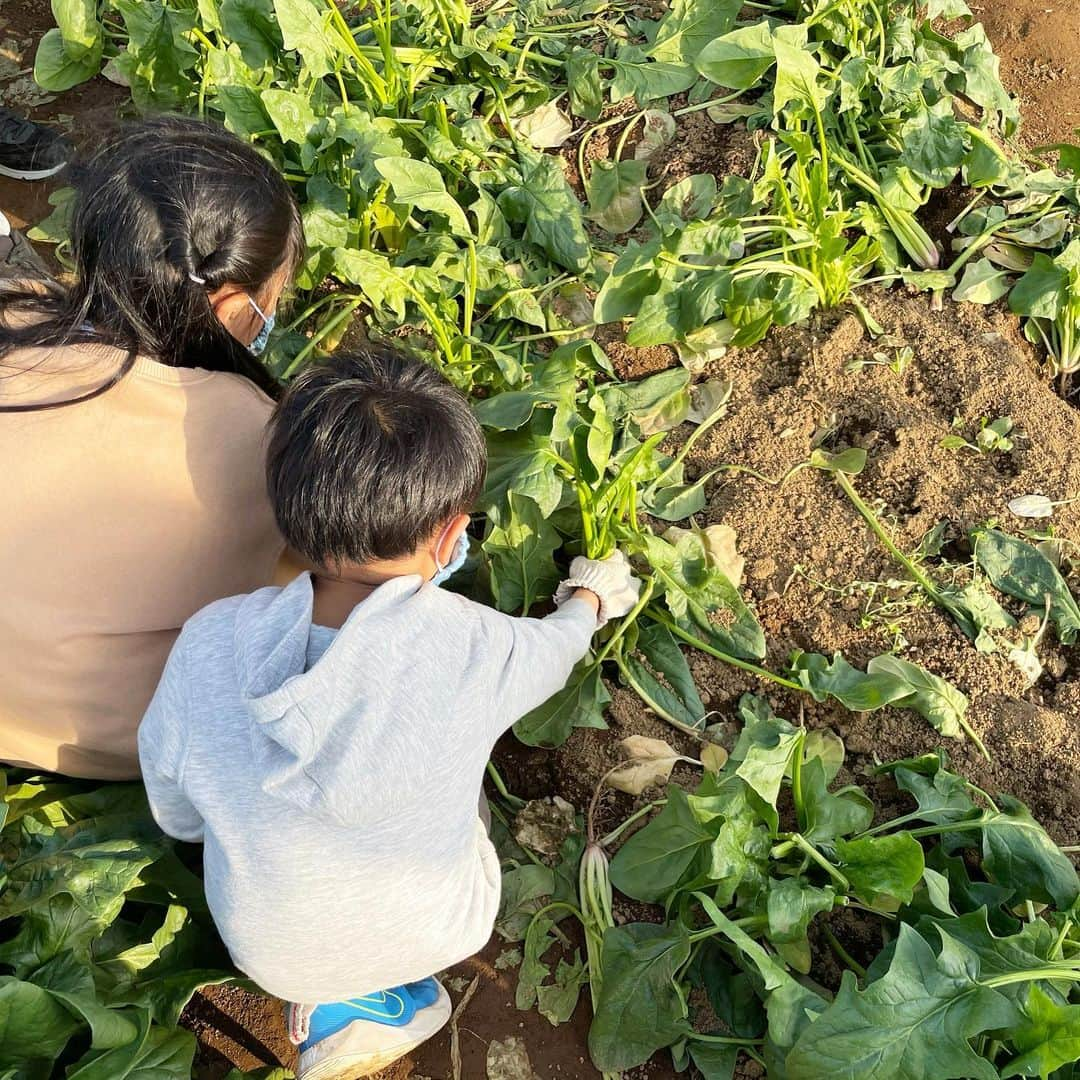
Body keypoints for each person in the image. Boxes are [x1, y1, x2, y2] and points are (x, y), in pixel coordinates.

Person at [137, 347, 640, 1079]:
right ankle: (364, 1000)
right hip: (437, 930)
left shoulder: (211, 639)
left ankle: (324, 1002)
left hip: (266, 949)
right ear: (448, 537)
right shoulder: (477, 645)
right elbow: (555, 649)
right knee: (466, 815)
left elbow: (176, 809)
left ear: (287, 509)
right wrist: (591, 597)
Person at [0, 115, 304, 778]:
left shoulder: (18, 319)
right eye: (274, 294)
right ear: (232, 308)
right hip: (105, 739)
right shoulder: (259, 437)